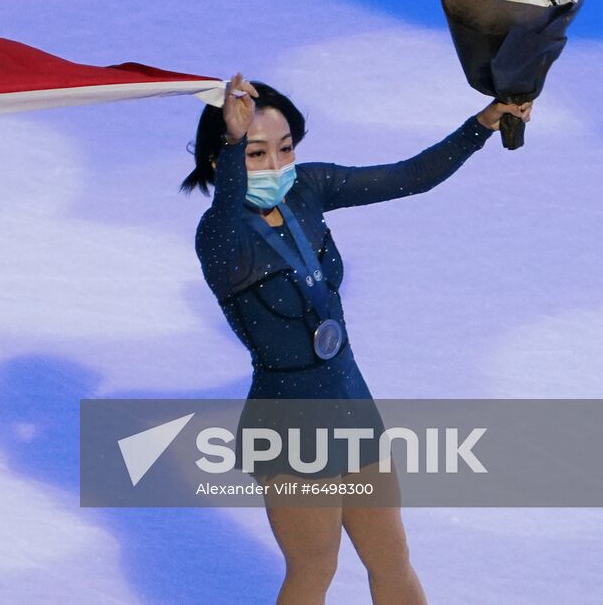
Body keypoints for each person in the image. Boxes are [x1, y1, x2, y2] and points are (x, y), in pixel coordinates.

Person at [185, 73, 530, 605]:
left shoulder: (307, 191)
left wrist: (480, 125)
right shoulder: (218, 232)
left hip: (350, 401)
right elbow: (230, 234)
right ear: (220, 161)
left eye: (285, 149)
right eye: (255, 154)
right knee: (315, 568)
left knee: (390, 557)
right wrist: (232, 146)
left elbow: (408, 177)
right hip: (289, 421)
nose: (277, 167)